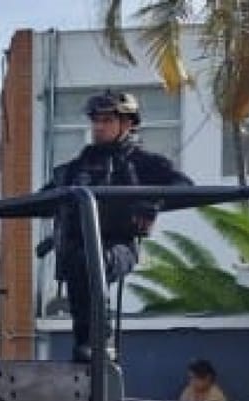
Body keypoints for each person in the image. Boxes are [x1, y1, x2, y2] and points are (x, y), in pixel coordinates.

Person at [40, 90, 192, 361]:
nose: (99, 127)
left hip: (119, 245)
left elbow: (183, 186)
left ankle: (101, 340)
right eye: (96, 120)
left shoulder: (143, 163)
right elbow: (42, 199)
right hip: (79, 249)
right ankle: (86, 347)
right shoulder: (77, 168)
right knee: (79, 263)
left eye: (107, 120)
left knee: (92, 261)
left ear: (128, 124)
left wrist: (152, 202)